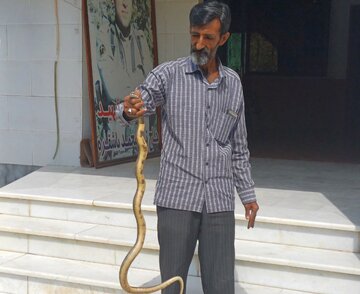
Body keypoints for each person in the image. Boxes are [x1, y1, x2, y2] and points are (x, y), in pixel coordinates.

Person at [116, 1, 259, 293]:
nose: (200, 43)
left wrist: (247, 195)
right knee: (173, 283)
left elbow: (239, 147)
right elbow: (134, 104)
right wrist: (130, 109)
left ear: (224, 38)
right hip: (177, 198)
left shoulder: (233, 84)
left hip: (218, 199)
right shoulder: (167, 75)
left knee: (220, 285)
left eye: (208, 37)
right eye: (195, 35)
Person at [95, 0, 154, 157]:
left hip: (141, 135)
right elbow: (114, 89)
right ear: (114, 4)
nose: (125, 5)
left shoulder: (141, 39)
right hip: (115, 139)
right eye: (120, 1)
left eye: (128, 1)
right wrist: (136, 85)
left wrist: (125, 80)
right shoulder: (105, 36)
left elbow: (151, 88)